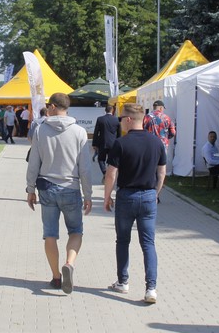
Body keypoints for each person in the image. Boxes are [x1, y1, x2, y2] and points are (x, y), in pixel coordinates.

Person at [26, 92, 92, 294]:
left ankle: (56, 277)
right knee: (76, 231)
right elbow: (85, 168)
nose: (47, 108)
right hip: (71, 187)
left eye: (49, 105)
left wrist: (30, 189)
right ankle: (69, 263)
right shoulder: (79, 132)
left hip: (46, 187)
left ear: (54, 106)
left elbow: (34, 162)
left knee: (50, 234)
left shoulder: (40, 130)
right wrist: (88, 194)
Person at [104, 103, 166, 304]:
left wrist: (107, 196)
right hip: (148, 196)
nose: (120, 122)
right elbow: (162, 172)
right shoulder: (156, 142)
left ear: (129, 119)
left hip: (126, 196)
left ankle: (123, 282)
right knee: (148, 243)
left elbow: (111, 173)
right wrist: (155, 193)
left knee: (123, 240)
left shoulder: (121, 143)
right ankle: (151, 288)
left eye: (121, 118)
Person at [91, 105, 121, 175]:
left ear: (105, 110)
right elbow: (119, 133)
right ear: (112, 110)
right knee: (111, 160)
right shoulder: (116, 120)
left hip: (102, 143)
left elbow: (96, 132)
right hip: (113, 143)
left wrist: (94, 144)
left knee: (101, 159)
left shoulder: (100, 119)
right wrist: (119, 143)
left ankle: (104, 172)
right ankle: (110, 173)